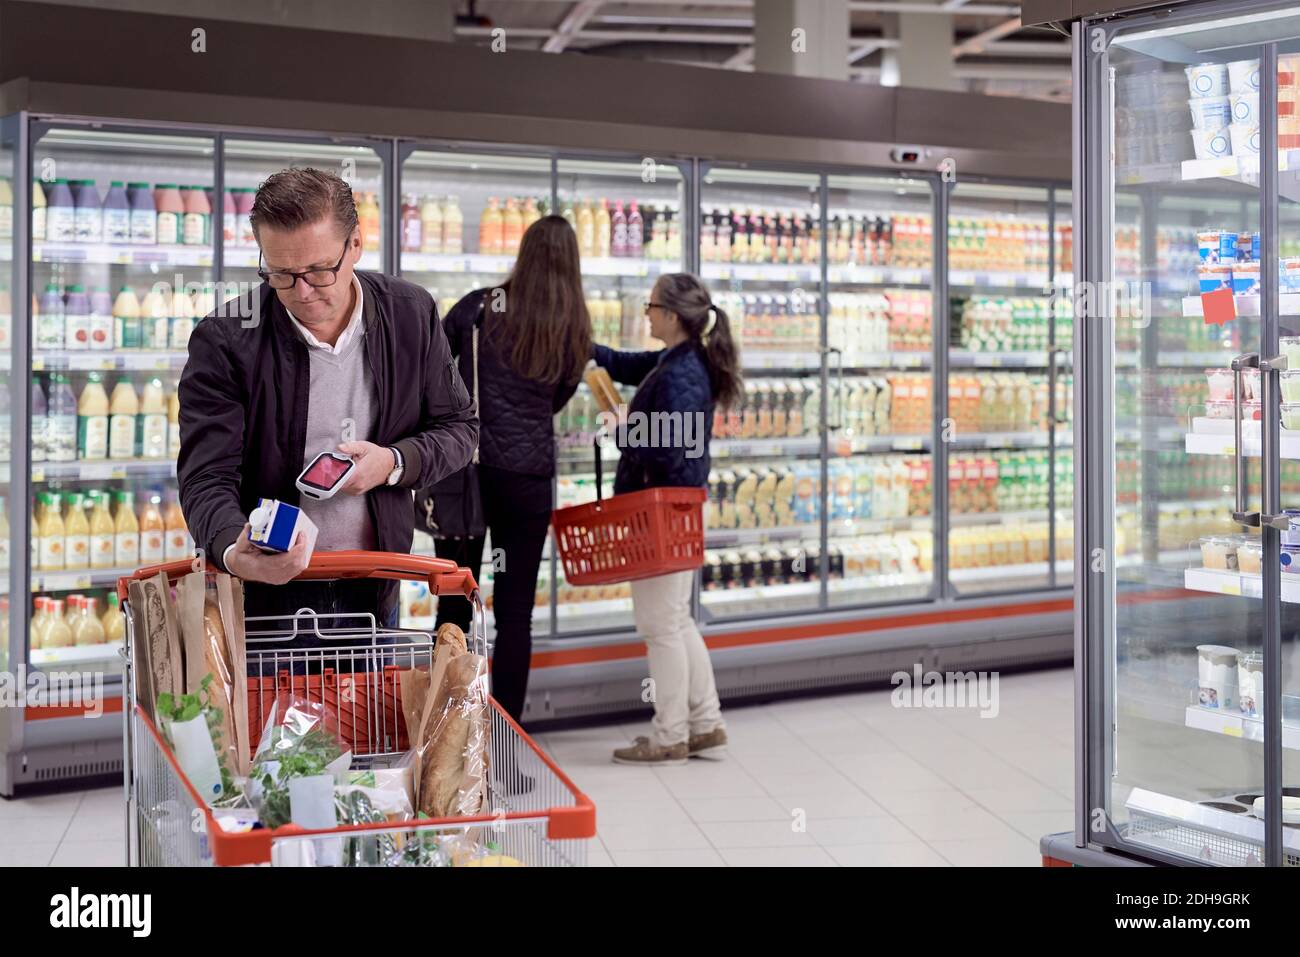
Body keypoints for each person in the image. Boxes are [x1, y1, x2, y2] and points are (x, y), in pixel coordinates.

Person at [178, 167, 478, 638]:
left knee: (364, 714)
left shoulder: (410, 313)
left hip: (375, 581)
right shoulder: (226, 340)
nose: (302, 292)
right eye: (280, 273)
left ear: (355, 244)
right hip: (263, 599)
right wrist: (234, 553)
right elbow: (206, 477)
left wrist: (393, 463)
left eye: (319, 271)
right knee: (271, 715)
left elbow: (460, 427)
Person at [434, 215, 591, 724]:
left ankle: (447, 732)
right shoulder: (572, 324)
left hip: (468, 475)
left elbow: (432, 369)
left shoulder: (481, 307)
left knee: (456, 604)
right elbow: (559, 398)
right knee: (515, 613)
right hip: (527, 482)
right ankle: (508, 739)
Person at [593, 272, 741, 766]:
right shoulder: (680, 360)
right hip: (679, 512)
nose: (647, 314)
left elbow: (674, 454)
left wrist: (625, 430)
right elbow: (629, 364)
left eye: (651, 307)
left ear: (672, 316)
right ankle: (706, 723)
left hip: (660, 513)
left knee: (660, 627)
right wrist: (583, 347)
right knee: (677, 621)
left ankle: (669, 735)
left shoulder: (680, 375)